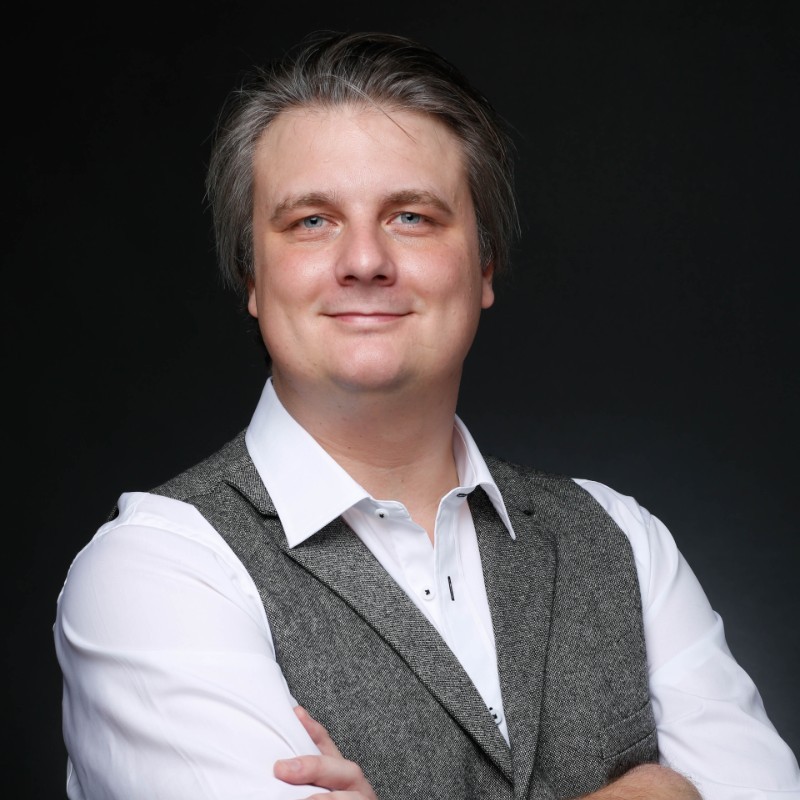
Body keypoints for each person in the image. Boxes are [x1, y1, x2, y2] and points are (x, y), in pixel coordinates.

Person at [54, 30, 799, 800]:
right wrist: (661, 790)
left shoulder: (622, 539)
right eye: (311, 220)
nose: (365, 261)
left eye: (411, 216)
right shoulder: (156, 572)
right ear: (252, 275)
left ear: (484, 265)